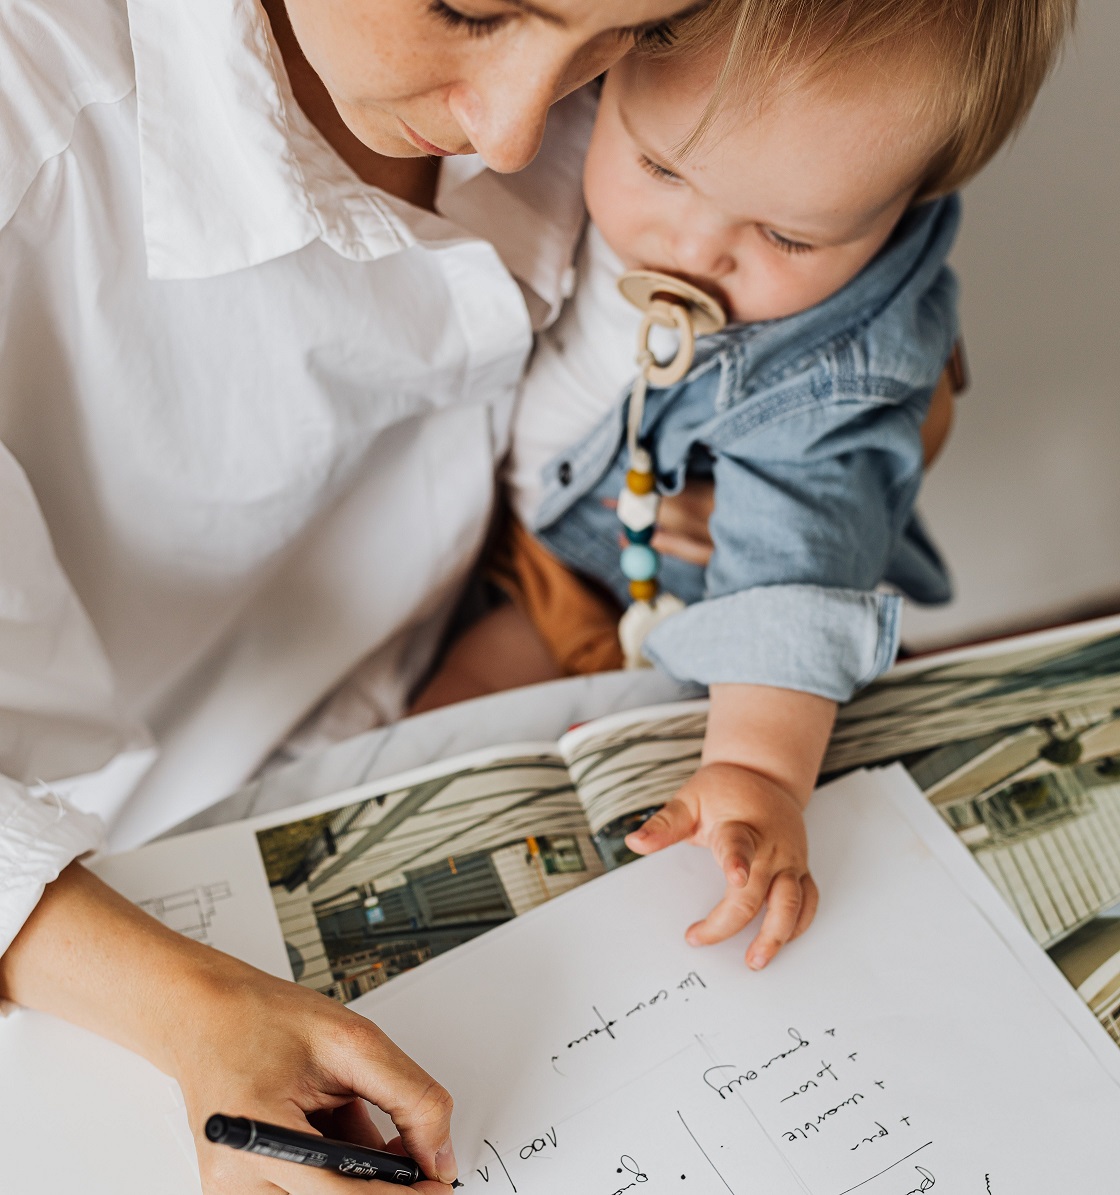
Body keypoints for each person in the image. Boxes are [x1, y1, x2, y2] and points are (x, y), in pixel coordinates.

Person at [0, 1, 725, 1192]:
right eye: (473, 10)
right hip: (86, 921)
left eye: (627, 38)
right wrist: (188, 1008)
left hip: (456, 712)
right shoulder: (34, 122)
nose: (511, 134)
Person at [428, 0, 1076, 972]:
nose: (691, 246)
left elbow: (793, 563)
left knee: (501, 740)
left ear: (900, 207)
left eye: (783, 234)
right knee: (435, 737)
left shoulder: (829, 372)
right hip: (540, 549)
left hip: (676, 621)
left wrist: (757, 769)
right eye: (660, 169)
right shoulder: (550, 102)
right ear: (612, 65)